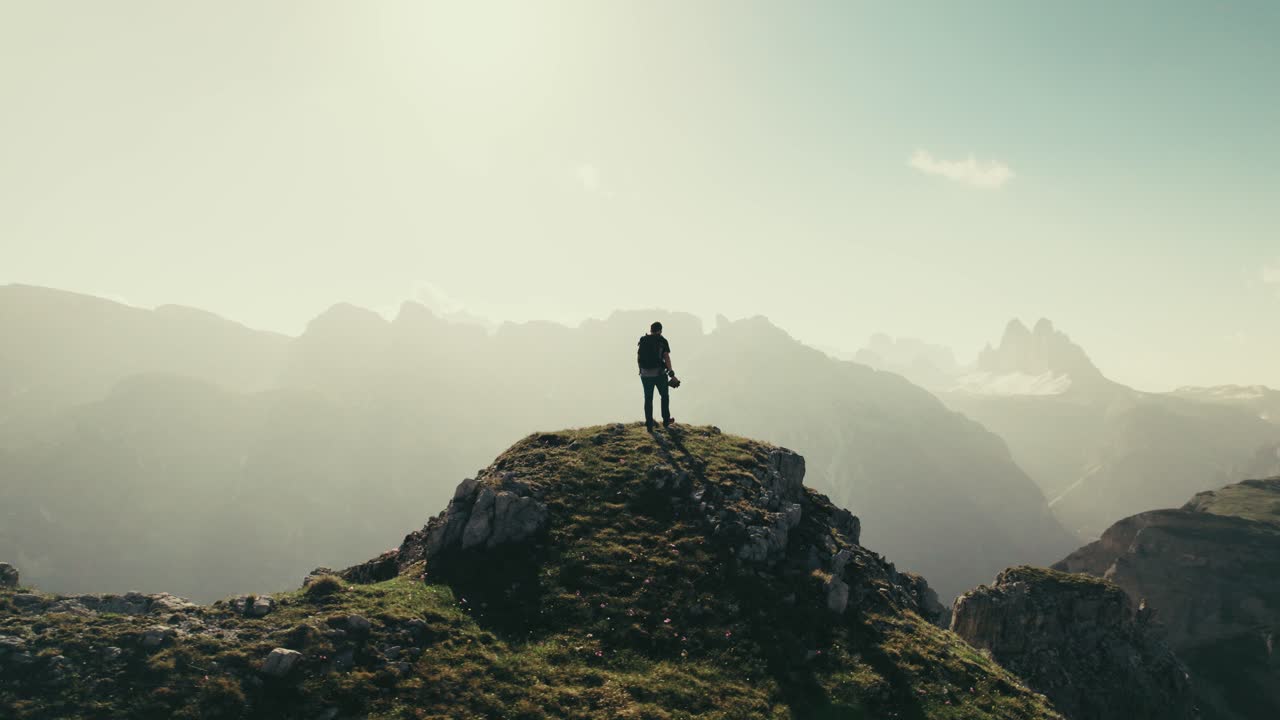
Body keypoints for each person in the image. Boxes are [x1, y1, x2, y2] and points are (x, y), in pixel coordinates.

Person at [637, 321, 678, 430]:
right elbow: (667, 358)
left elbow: (639, 357)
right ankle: (666, 420)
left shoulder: (643, 340)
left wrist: (641, 371)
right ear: (660, 330)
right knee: (664, 396)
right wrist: (671, 374)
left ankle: (649, 424)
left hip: (645, 374)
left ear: (651, 330)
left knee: (648, 398)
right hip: (659, 374)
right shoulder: (662, 341)